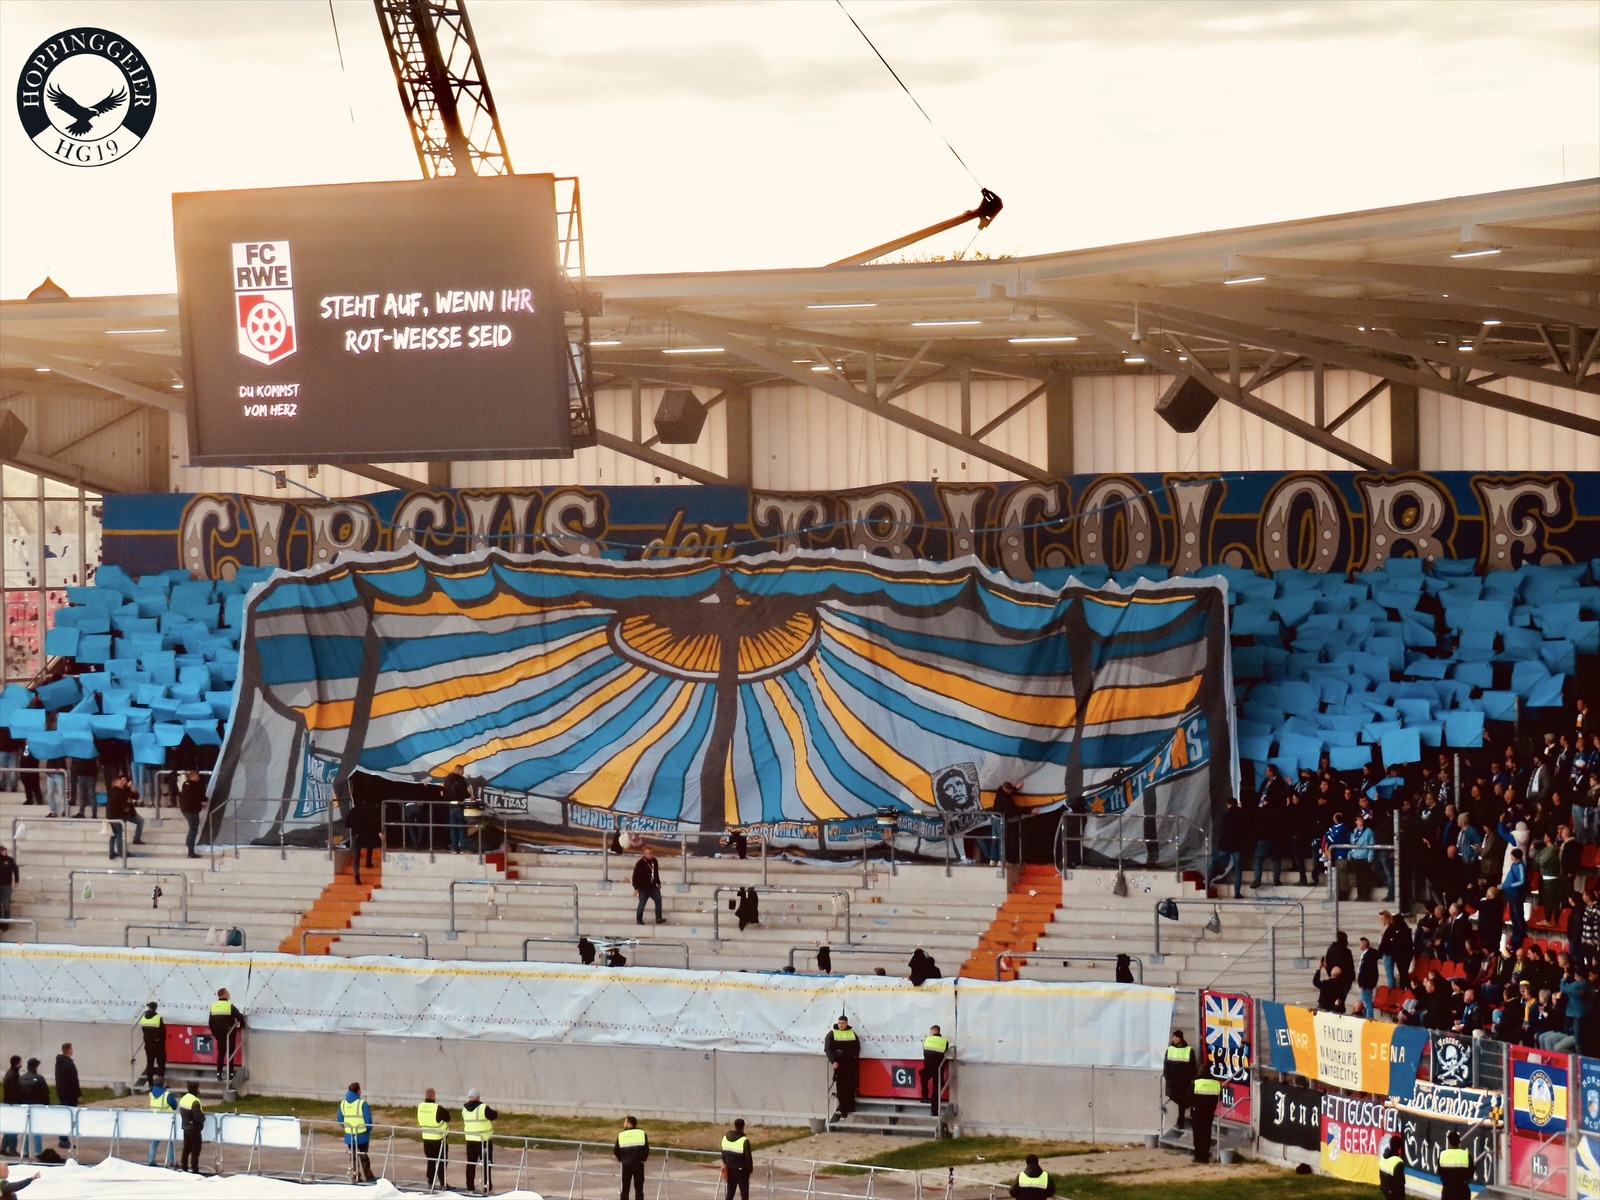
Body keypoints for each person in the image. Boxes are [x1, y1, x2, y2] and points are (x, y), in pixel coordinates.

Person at [461, 1087, 497, 1193]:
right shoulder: (483, 1108)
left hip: (470, 1140)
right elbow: (494, 1115)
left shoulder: (464, 1109)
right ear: (478, 1097)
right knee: (486, 1164)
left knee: (471, 1164)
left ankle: (470, 1187)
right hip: (483, 1141)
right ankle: (486, 1185)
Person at [825, 1015, 860, 1119]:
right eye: (839, 1023)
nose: (841, 1025)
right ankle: (843, 1109)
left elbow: (857, 1048)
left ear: (847, 1023)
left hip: (850, 1064)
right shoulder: (832, 1033)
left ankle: (850, 1106)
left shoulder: (852, 1033)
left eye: (843, 1023)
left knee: (851, 1085)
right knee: (841, 1087)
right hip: (839, 1064)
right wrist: (833, 1061)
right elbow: (828, 1049)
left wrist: (854, 1057)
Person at [208, 987, 246, 1084]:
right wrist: (242, 1025)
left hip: (219, 1035)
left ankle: (219, 1073)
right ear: (223, 994)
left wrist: (215, 1033)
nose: (229, 994)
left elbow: (210, 1022)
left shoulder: (213, 1006)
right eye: (227, 992)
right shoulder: (229, 1006)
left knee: (221, 1053)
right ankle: (230, 1073)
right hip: (229, 1033)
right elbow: (240, 1017)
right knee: (230, 1053)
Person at [418, 1087, 451, 1190]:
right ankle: (443, 1183)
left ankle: (430, 1181)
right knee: (442, 1161)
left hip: (426, 1138)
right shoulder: (437, 1108)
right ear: (433, 1095)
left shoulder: (420, 1107)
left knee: (430, 1161)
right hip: (438, 1139)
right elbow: (448, 1117)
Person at [1163, 1030, 1197, 1130]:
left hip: (1183, 1082)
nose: (1175, 1039)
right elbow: (1166, 1065)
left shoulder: (1189, 1050)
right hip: (1173, 1081)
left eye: (1177, 1037)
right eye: (1174, 1037)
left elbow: (1192, 1066)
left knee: (1182, 1102)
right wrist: (1167, 1076)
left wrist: (1189, 1079)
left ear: (1181, 1038)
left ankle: (1180, 1121)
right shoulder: (1169, 1049)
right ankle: (1186, 1108)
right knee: (1179, 1100)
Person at [614, 1115, 649, 1200]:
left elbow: (616, 1150)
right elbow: (646, 1149)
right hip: (638, 1164)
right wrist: (643, 1159)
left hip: (626, 1165)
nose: (623, 1124)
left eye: (625, 1122)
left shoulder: (621, 1135)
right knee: (639, 1189)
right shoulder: (641, 1133)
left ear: (629, 1123)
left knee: (625, 1189)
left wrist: (621, 1159)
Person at [52, 1044, 78, 1150]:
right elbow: (73, 1080)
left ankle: (63, 1138)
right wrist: (78, 1093)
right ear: (68, 1050)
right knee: (68, 1117)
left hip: (62, 1093)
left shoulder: (59, 1063)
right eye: (71, 1048)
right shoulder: (68, 1064)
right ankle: (64, 1139)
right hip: (69, 1094)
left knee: (64, 1115)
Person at [720, 1118, 753, 1200]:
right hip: (742, 1171)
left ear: (734, 1126)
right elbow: (748, 1158)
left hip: (730, 1169)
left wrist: (725, 1163)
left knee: (730, 1194)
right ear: (743, 1127)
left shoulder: (725, 1138)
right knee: (744, 1194)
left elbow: (723, 1154)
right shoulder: (744, 1141)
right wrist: (750, 1170)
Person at [1191, 1074, 1221, 1162]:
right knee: (1206, 1134)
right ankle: (1205, 1157)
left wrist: (1194, 1104)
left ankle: (1197, 1156)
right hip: (1209, 1112)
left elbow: (1188, 1096)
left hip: (1197, 1112)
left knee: (1197, 1135)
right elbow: (1220, 1097)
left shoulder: (1196, 1083)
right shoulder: (1216, 1083)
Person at [147, 1083, 178, 1167]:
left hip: (156, 1120)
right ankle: (171, 1160)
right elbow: (174, 1105)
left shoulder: (151, 1094)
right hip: (166, 1120)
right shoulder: (167, 1095)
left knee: (155, 1140)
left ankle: (151, 1159)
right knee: (169, 1141)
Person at [443, 767, 473, 854]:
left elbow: (445, 793)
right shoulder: (460, 780)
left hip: (451, 806)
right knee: (462, 828)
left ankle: (454, 849)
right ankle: (463, 848)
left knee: (453, 828)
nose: (463, 773)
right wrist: (469, 794)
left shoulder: (447, 780)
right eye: (462, 771)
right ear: (459, 771)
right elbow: (464, 793)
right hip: (460, 805)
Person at [632, 844, 665, 925]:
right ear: (645, 854)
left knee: (658, 899)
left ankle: (658, 917)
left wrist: (658, 882)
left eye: (652, 853)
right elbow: (635, 876)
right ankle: (639, 919)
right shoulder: (640, 863)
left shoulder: (654, 861)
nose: (651, 855)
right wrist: (636, 888)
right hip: (643, 887)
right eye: (649, 854)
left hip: (653, 886)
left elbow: (655, 873)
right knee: (642, 903)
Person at [178, 770, 207, 859]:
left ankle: (188, 842)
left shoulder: (185, 784)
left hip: (185, 810)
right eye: (196, 776)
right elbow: (201, 797)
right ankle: (191, 852)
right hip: (192, 811)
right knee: (193, 830)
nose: (198, 778)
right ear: (191, 777)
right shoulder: (195, 786)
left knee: (192, 828)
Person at [137, 1000, 167, 1086]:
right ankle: (160, 1082)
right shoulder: (158, 1018)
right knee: (161, 1063)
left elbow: (143, 1030)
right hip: (158, 1044)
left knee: (150, 1063)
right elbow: (163, 1032)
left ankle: (150, 1084)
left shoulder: (144, 1017)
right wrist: (161, 1041)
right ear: (155, 1008)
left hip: (148, 1044)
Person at [920, 1025, 949, 1116]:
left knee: (922, 1075)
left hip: (928, 1068)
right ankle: (934, 1111)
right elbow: (945, 1051)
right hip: (938, 1069)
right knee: (936, 1090)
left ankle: (925, 1098)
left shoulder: (926, 1040)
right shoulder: (945, 1042)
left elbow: (924, 1052)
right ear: (939, 1032)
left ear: (932, 1032)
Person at [1438, 1129, 1471, 1200]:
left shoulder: (1442, 1154)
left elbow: (1440, 1171)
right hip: (1462, 1189)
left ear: (1449, 1142)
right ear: (1459, 1142)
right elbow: (1471, 1171)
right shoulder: (1466, 1155)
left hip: (1447, 1189)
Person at [177, 1087, 205, 1174]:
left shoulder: (184, 1099)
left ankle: (184, 1167)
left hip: (186, 1127)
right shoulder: (195, 1101)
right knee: (195, 1150)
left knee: (186, 1149)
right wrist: (203, 1118)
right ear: (195, 1090)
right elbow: (198, 1116)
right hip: (194, 1128)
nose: (200, 1090)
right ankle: (194, 1169)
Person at [0, 1056, 20, 1157]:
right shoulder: (14, 1075)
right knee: (13, 1127)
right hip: (13, 1104)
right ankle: (12, 1149)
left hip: (9, 1103)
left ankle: (3, 1148)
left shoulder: (10, 1073)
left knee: (9, 1127)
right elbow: (14, 1091)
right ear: (17, 1063)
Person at [1356, 936, 1380, 1017]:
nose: (1359, 945)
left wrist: (1362, 982)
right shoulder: (1367, 955)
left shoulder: (1368, 956)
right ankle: (1365, 1017)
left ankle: (1369, 1019)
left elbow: (1365, 971)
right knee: (1364, 1002)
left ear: (1364, 944)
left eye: (1360, 943)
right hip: (1367, 983)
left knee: (1366, 1002)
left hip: (1366, 983)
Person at [1379, 1136, 1405, 1200]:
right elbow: (1400, 1182)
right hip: (1394, 1192)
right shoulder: (1397, 1161)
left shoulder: (1383, 1157)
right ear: (1399, 1147)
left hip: (1385, 1189)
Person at [0, 845, 19, 921]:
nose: (5, 852)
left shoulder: (10, 860)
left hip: (7, 885)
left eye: (5, 850)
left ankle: (6, 921)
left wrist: (16, 880)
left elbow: (15, 869)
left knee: (6, 903)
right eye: (3, 851)